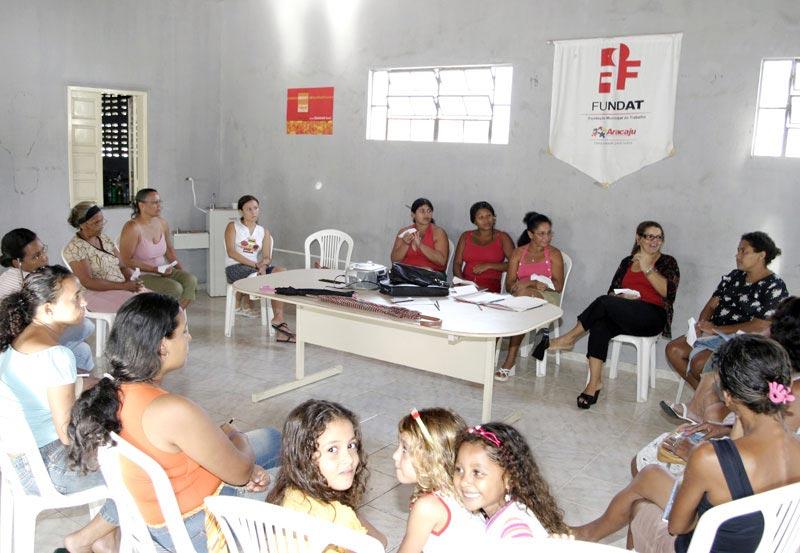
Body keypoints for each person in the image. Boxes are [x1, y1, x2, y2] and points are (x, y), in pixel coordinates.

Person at [67, 293, 281, 553]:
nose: (189, 338)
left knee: (272, 438)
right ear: (162, 346)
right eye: (184, 332)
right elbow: (241, 473)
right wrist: (237, 435)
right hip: (199, 525)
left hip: (163, 509)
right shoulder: (170, 410)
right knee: (299, 476)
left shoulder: (112, 391)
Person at [572, 335, 800, 553]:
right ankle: (587, 533)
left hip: (700, 545)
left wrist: (691, 480)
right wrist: (733, 422)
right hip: (757, 542)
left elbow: (679, 526)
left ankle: (588, 534)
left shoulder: (709, 457)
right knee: (651, 475)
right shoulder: (793, 449)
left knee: (639, 505)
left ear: (728, 396)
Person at [0, 266, 118, 552]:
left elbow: (41, 388)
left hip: (20, 464)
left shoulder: (15, 343)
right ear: (48, 309)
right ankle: (82, 540)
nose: (84, 302)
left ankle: (102, 539)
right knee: (141, 469)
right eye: (76, 297)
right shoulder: (57, 355)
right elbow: (67, 433)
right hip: (52, 469)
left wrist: (87, 384)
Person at [634, 295, 800, 478]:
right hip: (747, 466)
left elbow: (760, 463)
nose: (767, 330)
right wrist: (723, 429)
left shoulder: (794, 394)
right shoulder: (787, 386)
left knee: (644, 465)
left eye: (772, 325)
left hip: (748, 481)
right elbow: (765, 437)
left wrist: (693, 455)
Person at [548, 221, 680, 409]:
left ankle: (569, 338)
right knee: (600, 325)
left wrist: (647, 268)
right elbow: (612, 292)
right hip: (627, 312)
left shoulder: (668, 262)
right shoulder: (627, 262)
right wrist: (622, 296)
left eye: (659, 237)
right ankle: (594, 383)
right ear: (638, 238)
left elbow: (668, 293)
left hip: (652, 317)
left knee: (603, 302)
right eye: (650, 236)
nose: (655, 241)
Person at [662, 231, 788, 423]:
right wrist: (702, 324)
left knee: (699, 363)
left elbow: (761, 324)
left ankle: (702, 408)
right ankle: (708, 406)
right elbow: (712, 304)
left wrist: (717, 330)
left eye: (744, 251)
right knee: (674, 349)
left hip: (742, 340)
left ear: (761, 255)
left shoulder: (774, 286)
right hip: (714, 333)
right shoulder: (733, 277)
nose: (738, 255)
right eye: (738, 250)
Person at [266, 399, 387, 550]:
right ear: (304, 457)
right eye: (332, 449)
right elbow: (379, 544)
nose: (349, 459)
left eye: (351, 445)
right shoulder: (338, 517)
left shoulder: (291, 494)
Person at [454, 422, 570, 543]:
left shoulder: (514, 531)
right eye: (459, 469)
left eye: (477, 472)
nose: (464, 481)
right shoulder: (501, 510)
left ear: (509, 479)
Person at [1, 228, 95, 373]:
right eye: (36, 256)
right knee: (86, 325)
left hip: (25, 337)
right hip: (24, 341)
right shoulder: (27, 284)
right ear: (17, 263)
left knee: (83, 350)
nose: (44, 258)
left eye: (43, 250)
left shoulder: (8, 277)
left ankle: (79, 377)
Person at [393, 408, 483, 552]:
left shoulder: (427, 506)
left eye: (405, 449)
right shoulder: (463, 488)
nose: (395, 455)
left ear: (431, 459)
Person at [495, 211, 565, 381]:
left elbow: (558, 286)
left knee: (522, 297)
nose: (546, 238)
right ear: (530, 234)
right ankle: (492, 355)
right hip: (520, 297)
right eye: (541, 234)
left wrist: (530, 283)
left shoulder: (554, 254)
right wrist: (526, 285)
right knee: (513, 302)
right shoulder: (518, 253)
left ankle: (510, 360)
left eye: (549, 233)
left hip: (548, 298)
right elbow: (509, 285)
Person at [224, 194, 294, 342]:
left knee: (280, 272)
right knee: (264, 279)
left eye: (255, 208)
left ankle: (278, 318)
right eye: (249, 209)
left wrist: (263, 265)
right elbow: (231, 252)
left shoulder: (263, 231)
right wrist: (256, 266)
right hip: (235, 267)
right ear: (241, 211)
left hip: (255, 269)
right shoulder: (233, 226)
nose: (253, 212)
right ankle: (279, 325)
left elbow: (267, 256)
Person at [118, 188, 198, 308]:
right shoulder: (132, 227)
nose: (159, 206)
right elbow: (126, 260)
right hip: (140, 274)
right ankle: (169, 316)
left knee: (191, 280)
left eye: (159, 202)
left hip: (162, 270)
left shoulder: (162, 223)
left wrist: (181, 271)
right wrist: (155, 269)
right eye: (155, 203)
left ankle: (175, 315)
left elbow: (169, 251)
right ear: (141, 205)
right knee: (175, 288)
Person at [63, 201, 144, 312]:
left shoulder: (104, 238)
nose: (101, 225)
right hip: (96, 293)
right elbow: (87, 282)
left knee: (156, 302)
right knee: (140, 309)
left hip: (120, 287)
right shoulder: (75, 248)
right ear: (82, 225)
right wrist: (124, 286)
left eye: (102, 220)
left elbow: (122, 266)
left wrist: (131, 279)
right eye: (96, 222)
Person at [452, 201, 514, 293]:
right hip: (466, 285)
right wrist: (461, 282)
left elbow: (515, 264)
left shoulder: (503, 237)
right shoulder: (465, 236)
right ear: (474, 221)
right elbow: (457, 263)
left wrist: (489, 265)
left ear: (494, 217)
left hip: (489, 287)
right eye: (481, 217)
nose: (486, 220)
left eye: (489, 216)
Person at [391, 198, 449, 272]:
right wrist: (405, 244)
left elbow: (442, 262)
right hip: (406, 274)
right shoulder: (404, 232)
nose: (426, 214)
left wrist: (421, 245)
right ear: (413, 215)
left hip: (430, 275)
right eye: (422, 211)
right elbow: (394, 260)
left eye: (429, 211)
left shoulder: (439, 233)